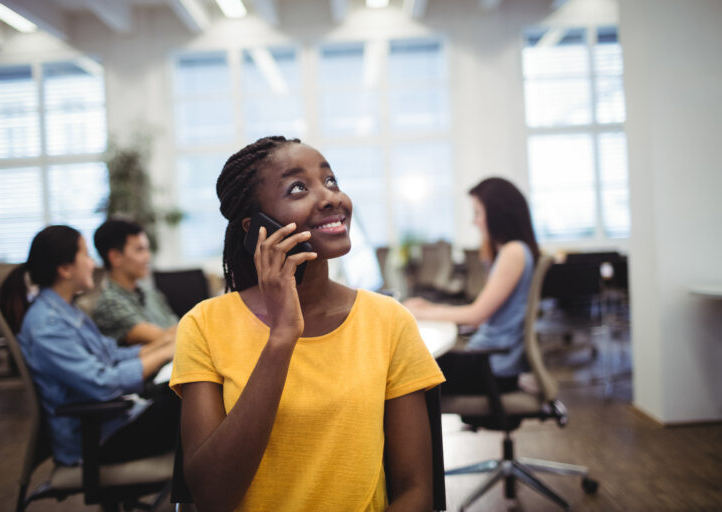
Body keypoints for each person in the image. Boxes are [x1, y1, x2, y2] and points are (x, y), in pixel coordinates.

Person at [169, 136, 445, 511]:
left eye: (330, 180)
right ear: (255, 228)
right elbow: (211, 497)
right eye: (298, 187)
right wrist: (281, 338)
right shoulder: (204, 325)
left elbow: (416, 492)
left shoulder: (388, 321)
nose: (331, 197)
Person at [0, 225, 178, 466]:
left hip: (116, 420)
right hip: (97, 440)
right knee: (194, 400)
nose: (93, 264)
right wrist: (166, 350)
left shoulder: (66, 311)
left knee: (185, 389)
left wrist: (164, 347)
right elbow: (101, 383)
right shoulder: (47, 325)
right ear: (65, 268)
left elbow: (110, 353)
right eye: (86, 255)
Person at [404, 177, 540, 394]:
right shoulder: (512, 251)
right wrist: (427, 309)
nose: (474, 221)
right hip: (489, 361)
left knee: (404, 375)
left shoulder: (513, 252)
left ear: (497, 214)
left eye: (478, 213)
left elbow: (476, 315)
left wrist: (419, 312)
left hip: (492, 369)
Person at [91, 218, 178, 346]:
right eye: (139, 249)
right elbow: (163, 338)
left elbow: (177, 327)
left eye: (147, 249)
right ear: (115, 257)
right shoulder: (110, 303)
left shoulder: (148, 292)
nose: (148, 256)